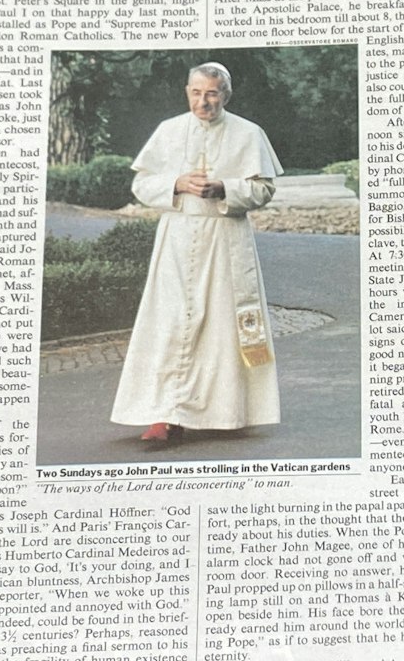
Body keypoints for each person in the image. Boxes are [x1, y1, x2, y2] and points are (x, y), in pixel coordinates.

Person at [111, 63, 283, 444]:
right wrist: (176, 182)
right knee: (170, 324)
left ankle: (228, 410)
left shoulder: (248, 133)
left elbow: (265, 189)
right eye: (196, 93)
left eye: (212, 93)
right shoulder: (169, 130)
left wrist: (225, 187)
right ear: (186, 92)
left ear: (226, 94)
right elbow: (142, 183)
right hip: (177, 237)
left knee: (223, 326)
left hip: (225, 240)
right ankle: (164, 414)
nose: (203, 102)